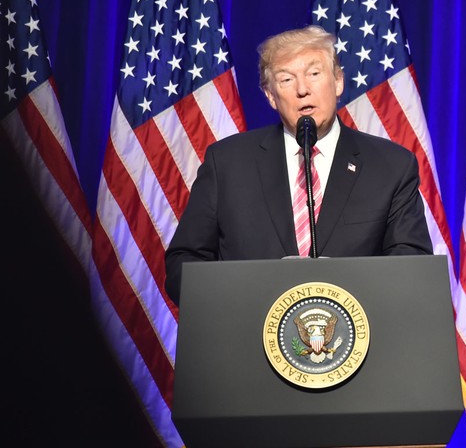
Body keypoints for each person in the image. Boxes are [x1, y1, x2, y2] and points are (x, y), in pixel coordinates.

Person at [164, 25, 432, 305]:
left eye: (314, 74)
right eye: (286, 80)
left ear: (338, 81)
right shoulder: (227, 164)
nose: (302, 90)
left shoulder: (391, 166)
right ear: (270, 96)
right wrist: (239, 302)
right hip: (249, 338)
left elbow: (410, 266)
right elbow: (184, 264)